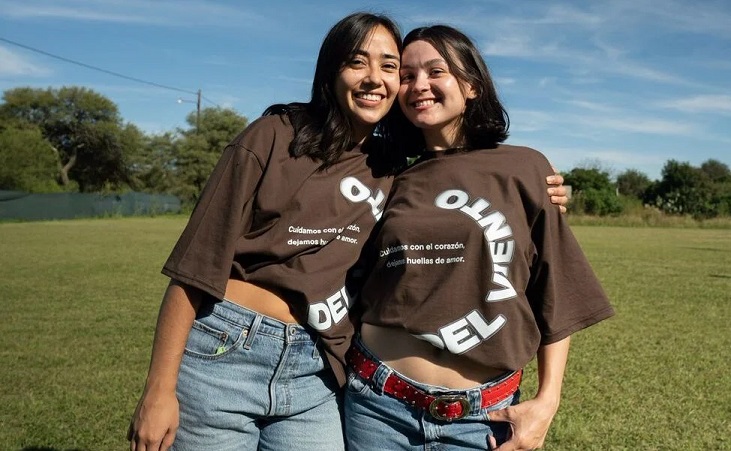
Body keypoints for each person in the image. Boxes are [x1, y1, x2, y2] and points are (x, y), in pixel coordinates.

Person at [127, 13, 569, 451]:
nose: (378, 78)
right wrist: (159, 389)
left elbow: (543, 273)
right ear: (331, 71)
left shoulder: (393, 167)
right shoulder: (278, 136)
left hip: (317, 367)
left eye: (391, 66)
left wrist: (541, 187)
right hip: (233, 350)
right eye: (358, 62)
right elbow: (195, 266)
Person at [343, 25, 614, 450]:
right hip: (377, 406)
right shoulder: (386, 174)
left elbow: (555, 291)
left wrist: (548, 401)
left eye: (436, 71)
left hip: (482, 417)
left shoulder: (525, 168)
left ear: (471, 85)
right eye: (408, 76)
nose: (419, 85)